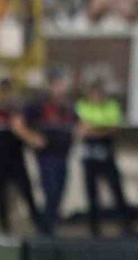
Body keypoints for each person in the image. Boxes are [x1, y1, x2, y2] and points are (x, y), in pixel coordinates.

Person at [75, 79, 134, 237]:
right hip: (89, 156)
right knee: (91, 192)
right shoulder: (82, 105)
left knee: (116, 189)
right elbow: (83, 129)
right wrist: (101, 129)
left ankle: (126, 225)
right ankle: (93, 228)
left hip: (107, 153)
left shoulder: (111, 106)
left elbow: (113, 128)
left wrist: (96, 129)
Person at [25, 70, 79, 235]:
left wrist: (76, 136)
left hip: (63, 155)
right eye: (58, 84)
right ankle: (45, 229)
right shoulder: (39, 105)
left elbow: (78, 123)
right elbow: (19, 123)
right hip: (46, 156)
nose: (61, 88)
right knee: (51, 190)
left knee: (60, 192)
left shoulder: (68, 106)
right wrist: (32, 137)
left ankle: (50, 225)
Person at [0, 77, 42, 233]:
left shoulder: (16, 111)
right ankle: (5, 227)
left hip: (16, 158)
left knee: (26, 191)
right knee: (3, 196)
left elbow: (20, 128)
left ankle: (38, 225)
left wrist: (32, 139)